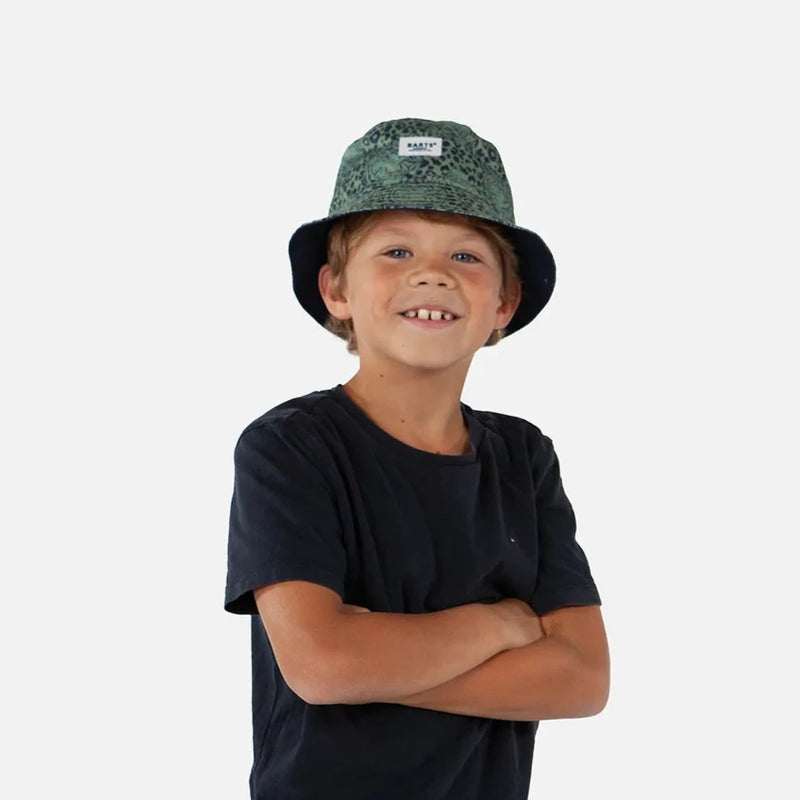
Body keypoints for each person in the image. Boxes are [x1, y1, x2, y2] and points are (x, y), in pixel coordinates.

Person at [224, 118, 609, 800]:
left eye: (466, 256)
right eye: (396, 251)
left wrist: (375, 663)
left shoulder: (524, 457)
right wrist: (500, 624)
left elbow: (582, 679)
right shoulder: (288, 448)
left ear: (505, 302)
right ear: (337, 290)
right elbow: (322, 665)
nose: (432, 273)